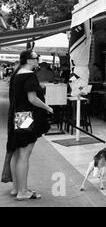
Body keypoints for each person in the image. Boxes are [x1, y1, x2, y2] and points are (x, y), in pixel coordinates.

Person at [5, 50, 53, 200]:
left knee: (17, 153)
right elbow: (32, 99)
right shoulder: (29, 75)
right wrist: (47, 107)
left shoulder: (17, 73)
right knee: (24, 155)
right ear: (29, 60)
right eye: (36, 58)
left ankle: (16, 188)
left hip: (17, 115)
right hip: (27, 117)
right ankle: (23, 191)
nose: (38, 60)